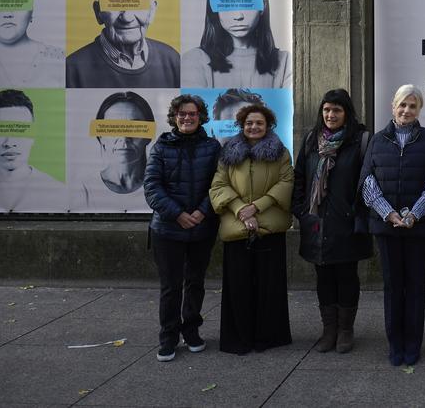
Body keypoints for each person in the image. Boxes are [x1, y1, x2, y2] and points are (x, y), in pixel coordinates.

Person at [360, 85, 425, 366]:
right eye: (402, 105)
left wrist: (414, 214)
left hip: (418, 228)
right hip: (387, 227)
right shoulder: (377, 140)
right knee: (393, 286)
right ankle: (395, 343)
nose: (406, 110)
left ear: (419, 110)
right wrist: (389, 213)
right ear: (392, 107)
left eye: (412, 106)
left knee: (416, 286)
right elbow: (367, 181)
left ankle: (413, 344)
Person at [291, 89, 373, 354]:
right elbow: (299, 179)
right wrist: (302, 212)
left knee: (347, 277)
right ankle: (329, 330)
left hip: (346, 223)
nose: (330, 115)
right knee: (323, 277)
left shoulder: (360, 140)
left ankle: (346, 330)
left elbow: (367, 181)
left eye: (336, 110)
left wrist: (355, 213)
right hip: (316, 223)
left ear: (346, 113)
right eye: (326, 110)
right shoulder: (311, 140)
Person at [209, 104, 294, 355]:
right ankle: (239, 338)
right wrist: (240, 210)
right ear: (242, 125)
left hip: (269, 226)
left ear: (268, 126)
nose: (254, 127)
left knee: (270, 287)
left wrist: (257, 207)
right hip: (237, 227)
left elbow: (286, 182)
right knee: (238, 287)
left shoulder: (280, 152)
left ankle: (269, 337)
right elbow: (218, 185)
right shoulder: (228, 153)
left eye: (259, 123)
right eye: (249, 123)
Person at [143, 94, 221, 362]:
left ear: (201, 117)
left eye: (192, 113)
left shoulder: (212, 147)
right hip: (167, 230)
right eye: (182, 114)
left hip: (201, 228)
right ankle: (168, 336)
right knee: (170, 286)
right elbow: (152, 187)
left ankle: (191, 331)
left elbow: (218, 185)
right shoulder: (161, 147)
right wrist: (177, 214)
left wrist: (201, 211)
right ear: (174, 117)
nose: (187, 118)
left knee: (195, 282)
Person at [66, 0, 180, 88]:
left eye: (136, 4)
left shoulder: (172, 60)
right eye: (115, 4)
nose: (127, 18)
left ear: (151, 11)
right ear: (98, 12)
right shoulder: (71, 69)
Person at [182, 0, 292, 88]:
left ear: (263, 6)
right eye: (228, 5)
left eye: (247, 4)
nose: (238, 16)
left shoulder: (285, 61)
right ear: (215, 10)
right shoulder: (194, 61)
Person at [92, 91, 156, 197]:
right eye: (113, 128)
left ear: (149, 135)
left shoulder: (163, 186)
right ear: (100, 136)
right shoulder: (84, 188)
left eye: (135, 128)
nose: (124, 138)